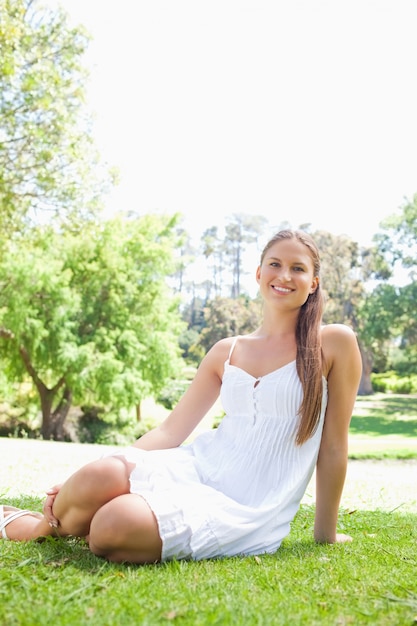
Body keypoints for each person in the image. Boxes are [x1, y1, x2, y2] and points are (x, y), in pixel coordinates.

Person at [0, 229, 362, 564]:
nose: (284, 276)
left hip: (245, 506)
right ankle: (44, 526)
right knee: (98, 474)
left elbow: (332, 447)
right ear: (258, 274)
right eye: (275, 264)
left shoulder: (333, 343)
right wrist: (79, 486)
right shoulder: (227, 351)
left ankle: (81, 519)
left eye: (297, 268)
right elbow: (170, 432)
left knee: (111, 526)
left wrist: (325, 534)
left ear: (313, 283)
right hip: (196, 467)